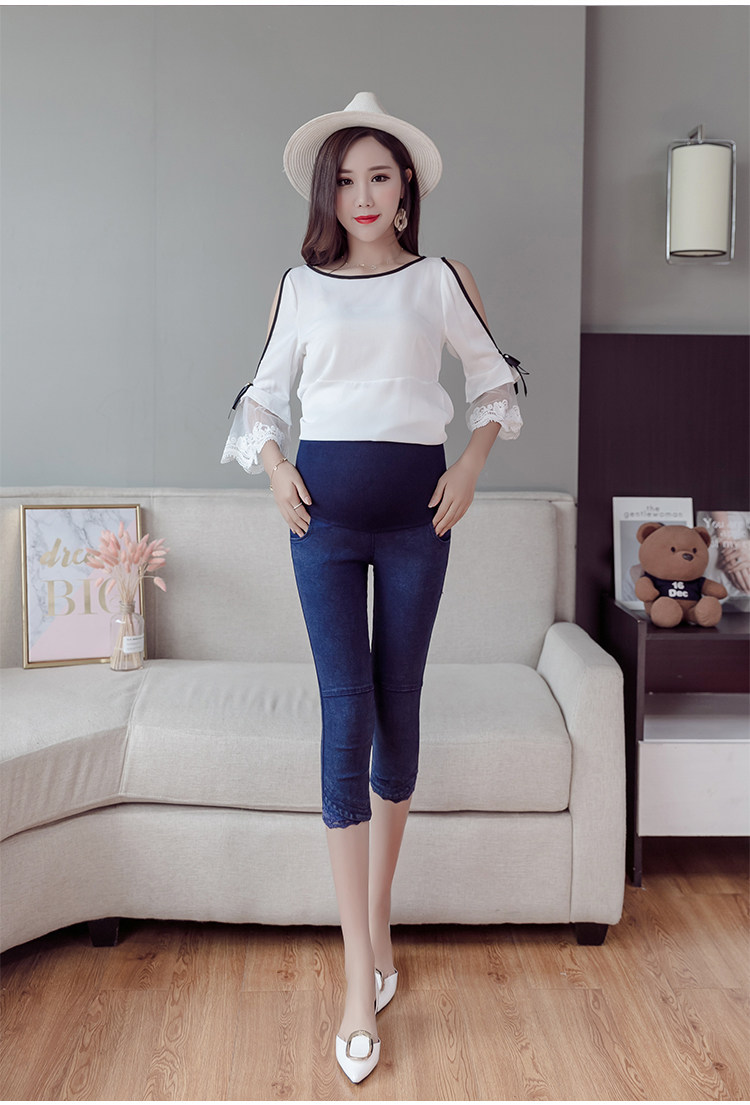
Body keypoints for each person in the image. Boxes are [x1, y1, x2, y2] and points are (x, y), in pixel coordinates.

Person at [221, 92, 526, 1083]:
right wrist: (275, 469)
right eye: (346, 178)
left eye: (379, 176)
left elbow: (494, 383)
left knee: (399, 711)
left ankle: (377, 921)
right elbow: (263, 398)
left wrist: (470, 465)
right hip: (321, 525)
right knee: (344, 717)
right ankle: (360, 976)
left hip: (416, 525)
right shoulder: (299, 287)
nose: (362, 194)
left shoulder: (440, 280)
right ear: (328, 191)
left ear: (405, 190)